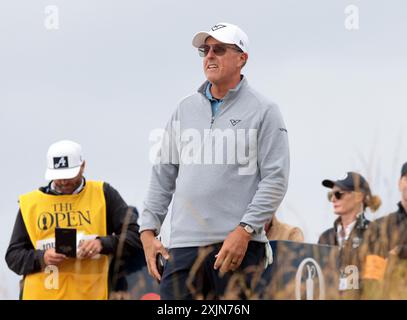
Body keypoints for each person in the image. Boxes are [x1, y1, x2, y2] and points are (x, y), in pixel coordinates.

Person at [139, 22, 290, 299]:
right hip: (183, 249)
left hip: (235, 248)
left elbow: (276, 179)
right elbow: (162, 174)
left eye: (219, 49)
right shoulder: (184, 109)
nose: (209, 55)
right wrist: (148, 232)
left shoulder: (265, 110)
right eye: (205, 50)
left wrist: (244, 231)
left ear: (242, 58)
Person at [5, 140, 141, 300]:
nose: (63, 181)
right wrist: (42, 258)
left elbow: (134, 238)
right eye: (58, 176)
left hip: (91, 296)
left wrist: (101, 243)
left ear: (83, 166)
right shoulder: (31, 204)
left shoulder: (104, 194)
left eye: (69, 175)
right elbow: (13, 256)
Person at [318, 172, 381, 299]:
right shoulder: (325, 237)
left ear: (359, 197)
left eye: (338, 194)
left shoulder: (375, 233)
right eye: (331, 195)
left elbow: (375, 282)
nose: (333, 199)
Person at [362, 162, 407, 299]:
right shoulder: (380, 227)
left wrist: (401, 251)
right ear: (399, 183)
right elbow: (372, 278)